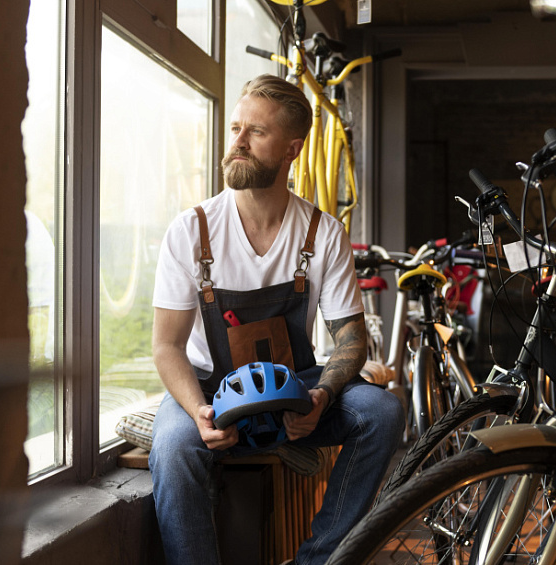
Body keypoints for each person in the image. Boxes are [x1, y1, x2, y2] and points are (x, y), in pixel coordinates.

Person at [149, 74, 404, 565]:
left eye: (256, 133)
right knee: (175, 447)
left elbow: (350, 338)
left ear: (292, 149)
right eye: (236, 128)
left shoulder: (322, 232)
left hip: (295, 391)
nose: (238, 143)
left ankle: (320, 559)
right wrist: (198, 412)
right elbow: (166, 347)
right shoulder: (191, 231)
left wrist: (321, 397)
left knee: (383, 412)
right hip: (208, 391)